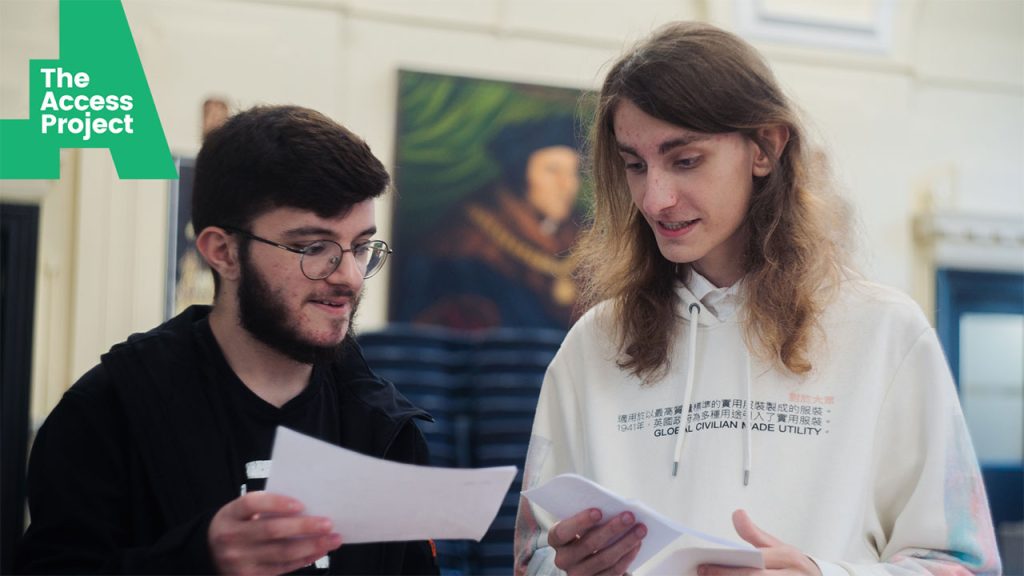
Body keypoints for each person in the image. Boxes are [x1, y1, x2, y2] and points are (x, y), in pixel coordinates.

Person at [514, 22, 1001, 576]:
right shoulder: (593, 345)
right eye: (635, 164)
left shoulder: (885, 332)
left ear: (765, 148)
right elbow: (534, 559)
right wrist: (568, 568)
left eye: (685, 160)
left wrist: (821, 575)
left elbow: (964, 566)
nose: (656, 198)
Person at [15, 105, 439, 575]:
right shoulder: (109, 412)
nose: (350, 277)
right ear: (223, 252)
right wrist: (198, 560)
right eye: (312, 247)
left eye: (361, 247)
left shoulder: (384, 427)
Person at [399, 117, 583, 330]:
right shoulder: (467, 236)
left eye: (573, 172)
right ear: (520, 174)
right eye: (552, 170)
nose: (566, 185)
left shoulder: (584, 236)